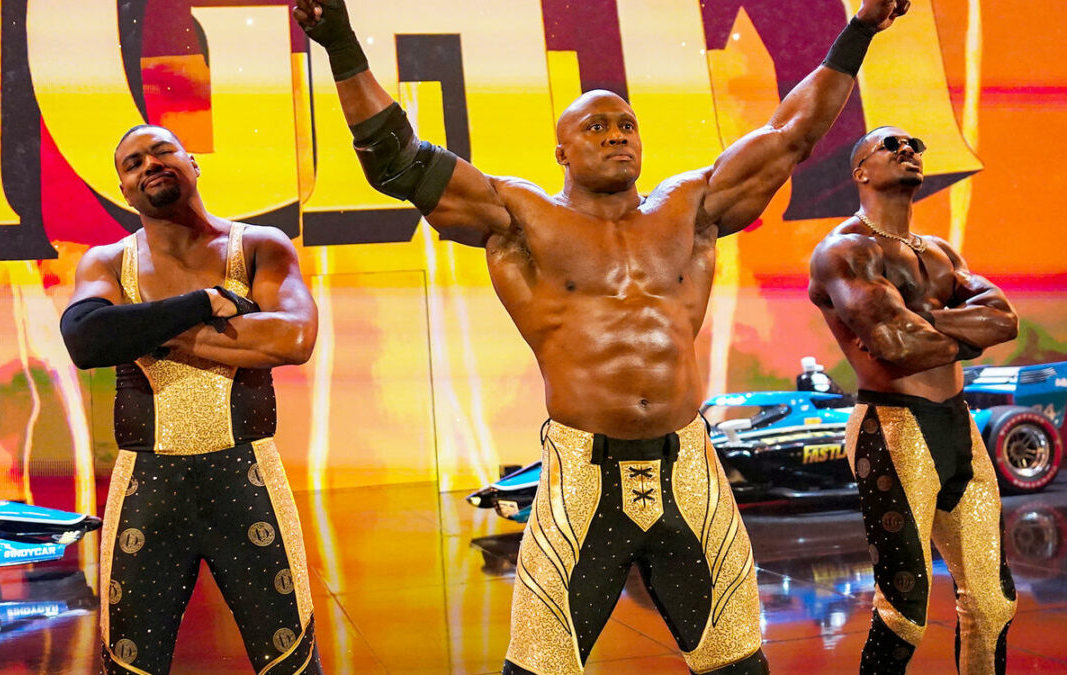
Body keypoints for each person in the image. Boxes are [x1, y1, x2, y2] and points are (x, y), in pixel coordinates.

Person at [294, 1, 908, 672]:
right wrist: (340, 42)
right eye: (596, 127)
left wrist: (859, 29)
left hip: (690, 474)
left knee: (738, 664)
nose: (617, 136)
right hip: (581, 480)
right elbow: (398, 161)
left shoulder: (691, 207)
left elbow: (791, 133)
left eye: (626, 125)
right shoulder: (519, 217)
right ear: (562, 151)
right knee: (539, 666)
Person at [60, 125, 321, 674]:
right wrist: (206, 303)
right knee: (130, 664)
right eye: (133, 163)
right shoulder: (106, 262)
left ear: (193, 162)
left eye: (162, 151)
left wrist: (141, 330)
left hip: (247, 477)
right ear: (124, 191)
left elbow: (293, 339)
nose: (149, 165)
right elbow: (86, 341)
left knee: (291, 662)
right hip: (147, 485)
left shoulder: (260, 246)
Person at [808, 126, 1018, 673]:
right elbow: (897, 347)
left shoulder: (942, 253)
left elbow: (1006, 320)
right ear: (860, 171)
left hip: (958, 426)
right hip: (893, 428)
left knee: (994, 604)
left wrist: (923, 320)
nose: (908, 150)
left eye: (916, 146)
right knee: (904, 614)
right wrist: (956, 327)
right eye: (891, 145)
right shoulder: (844, 250)